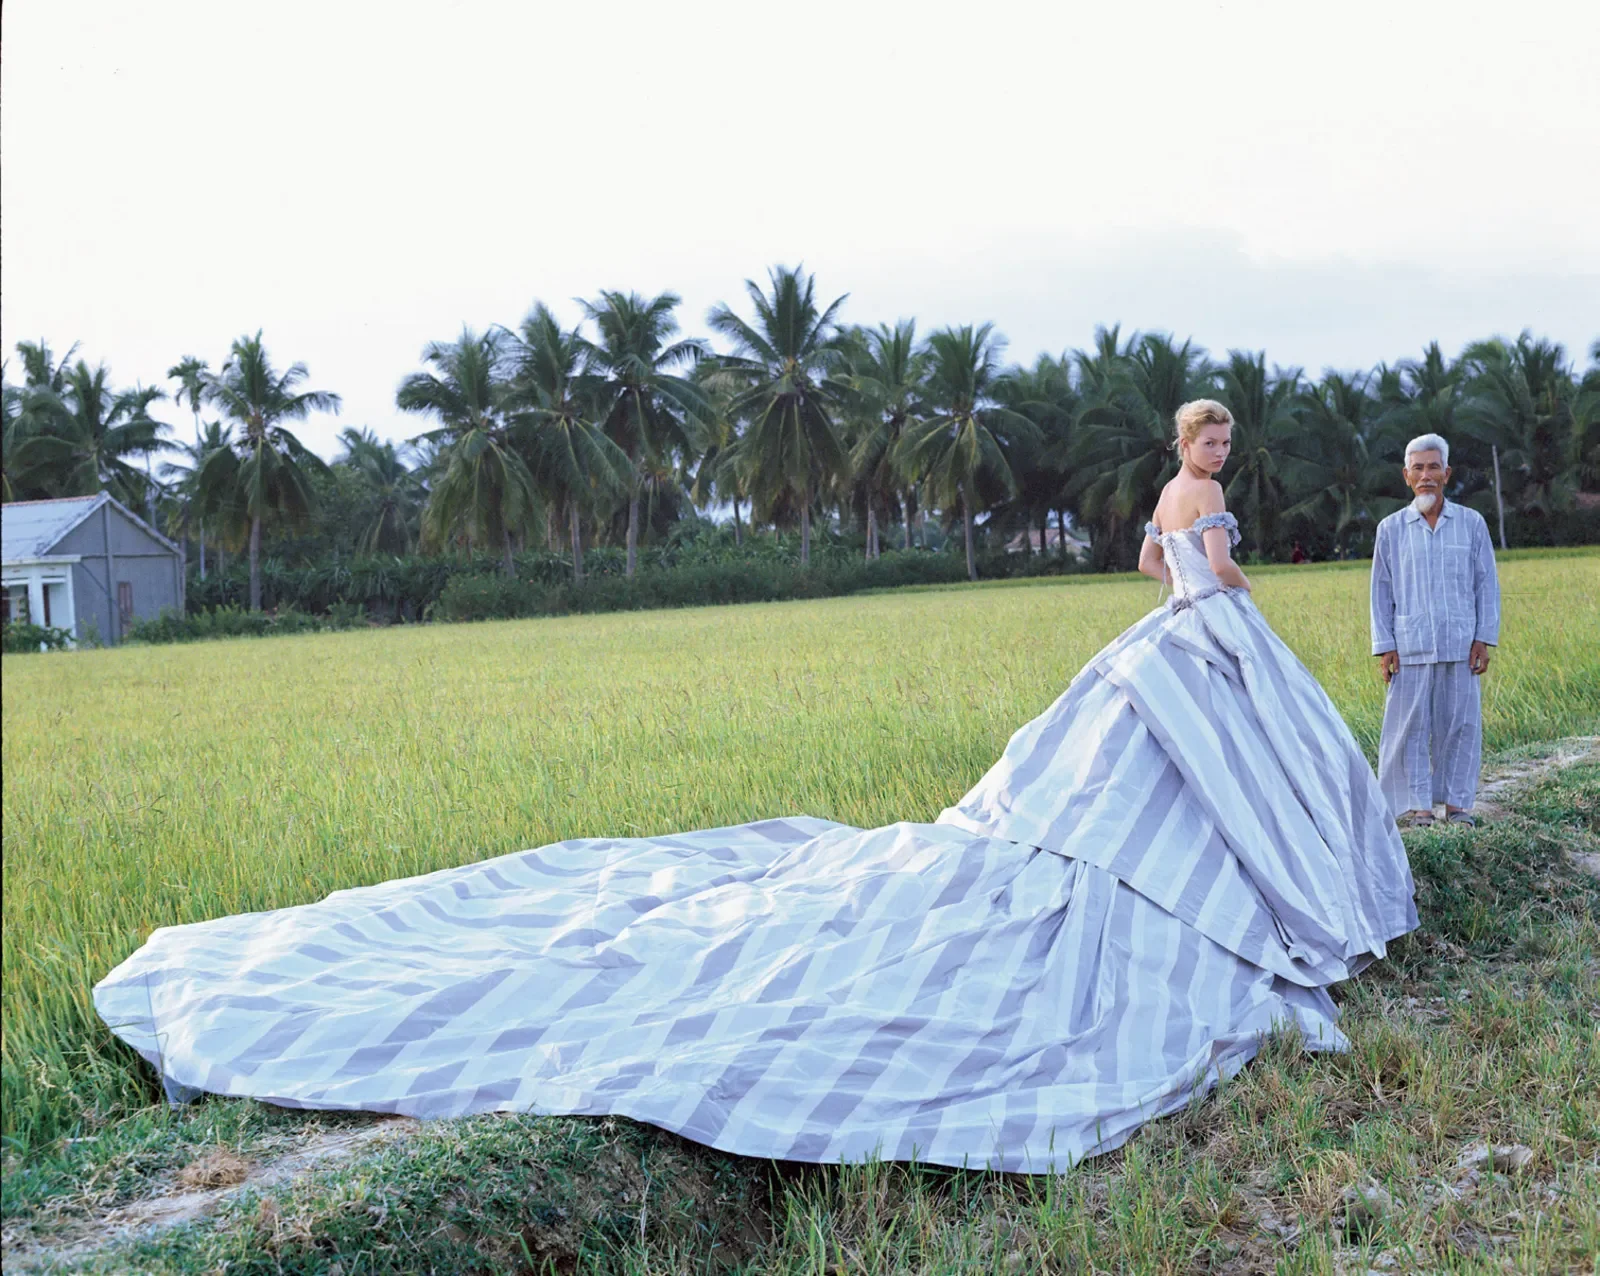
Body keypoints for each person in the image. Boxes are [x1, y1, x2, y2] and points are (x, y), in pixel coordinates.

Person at [95, 401, 1416, 1175]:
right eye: (1215, 434)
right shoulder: (1209, 509)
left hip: (1159, 653)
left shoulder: (1159, 503)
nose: (1221, 449)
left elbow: (1149, 573)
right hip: (1207, 646)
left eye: (1223, 435)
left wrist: (1194, 587)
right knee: (1209, 795)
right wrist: (1236, 589)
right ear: (1199, 446)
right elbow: (1210, 579)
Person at [1370, 433, 1500, 829]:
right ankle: (1418, 807)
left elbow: (1486, 583)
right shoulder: (1391, 529)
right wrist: (1385, 646)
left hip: (1460, 643)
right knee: (1410, 727)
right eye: (1418, 468)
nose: (1426, 475)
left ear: (1447, 473)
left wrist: (1484, 638)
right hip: (1409, 645)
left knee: (1460, 724)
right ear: (1406, 476)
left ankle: (1458, 806)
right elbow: (1381, 589)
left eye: (1433, 467)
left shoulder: (1471, 523)